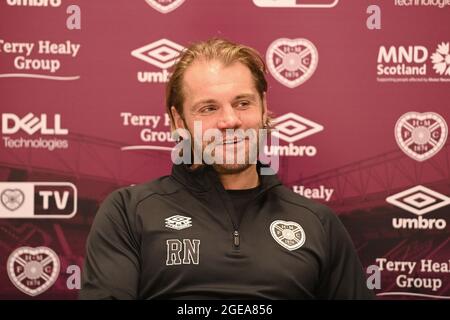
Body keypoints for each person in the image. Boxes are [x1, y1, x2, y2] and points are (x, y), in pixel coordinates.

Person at [79, 38, 374, 299]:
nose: (230, 120)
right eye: (208, 108)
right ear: (178, 121)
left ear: (263, 107)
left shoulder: (318, 223)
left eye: (243, 103)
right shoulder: (127, 212)